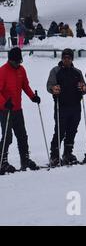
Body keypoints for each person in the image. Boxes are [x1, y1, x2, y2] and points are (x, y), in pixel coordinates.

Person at [0, 47, 41, 175]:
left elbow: (25, 85)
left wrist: (32, 96)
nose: (18, 64)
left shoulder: (21, 70)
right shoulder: (3, 71)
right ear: (10, 60)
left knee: (22, 135)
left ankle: (25, 159)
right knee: (7, 137)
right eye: (16, 61)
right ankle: (3, 161)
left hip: (18, 109)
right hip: (5, 110)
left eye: (20, 61)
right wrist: (4, 102)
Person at [46, 49, 86, 167]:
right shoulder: (55, 71)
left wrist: (84, 88)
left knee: (72, 130)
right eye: (64, 57)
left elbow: (84, 86)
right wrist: (53, 88)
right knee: (60, 131)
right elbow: (49, 85)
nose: (66, 60)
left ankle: (67, 153)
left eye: (69, 58)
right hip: (61, 106)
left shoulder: (77, 72)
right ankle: (54, 155)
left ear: (72, 59)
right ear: (61, 58)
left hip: (75, 105)